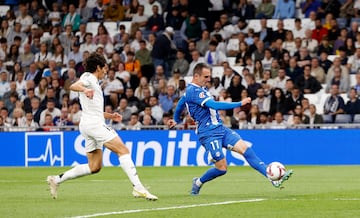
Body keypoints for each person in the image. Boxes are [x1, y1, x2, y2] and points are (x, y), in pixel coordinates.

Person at [167, 63, 293, 195]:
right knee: (222, 168)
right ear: (196, 76)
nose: (209, 79)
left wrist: (175, 119)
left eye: (209, 76)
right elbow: (214, 105)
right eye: (206, 76)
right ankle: (198, 182)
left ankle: (271, 177)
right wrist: (240, 103)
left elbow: (182, 102)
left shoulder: (196, 90)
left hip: (221, 129)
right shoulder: (194, 91)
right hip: (208, 133)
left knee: (246, 150)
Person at [46, 53, 158, 201]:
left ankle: (56, 179)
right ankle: (138, 188)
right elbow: (73, 86)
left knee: (95, 167)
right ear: (98, 67)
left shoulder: (94, 83)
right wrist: (85, 90)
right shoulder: (89, 78)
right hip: (93, 125)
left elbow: (95, 111)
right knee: (123, 150)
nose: (106, 71)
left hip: (89, 124)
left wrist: (111, 116)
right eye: (104, 68)